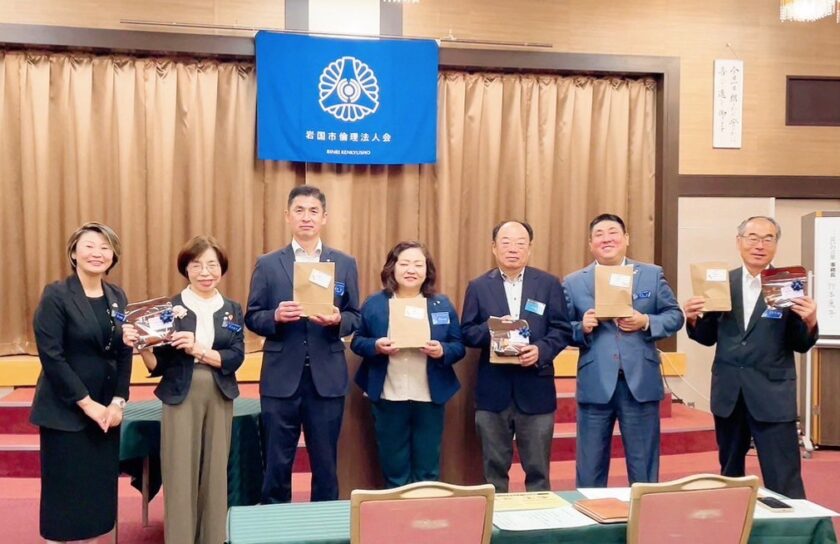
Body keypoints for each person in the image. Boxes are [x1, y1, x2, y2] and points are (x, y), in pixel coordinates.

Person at [684, 216, 818, 498]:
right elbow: (707, 337)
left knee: (784, 478)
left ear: (776, 245)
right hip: (729, 393)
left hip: (772, 393)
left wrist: (810, 322)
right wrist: (694, 319)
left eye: (768, 239)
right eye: (753, 238)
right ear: (739, 242)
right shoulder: (723, 281)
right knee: (730, 476)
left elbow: (800, 343)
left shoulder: (787, 282)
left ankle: (792, 525)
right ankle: (735, 522)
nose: (760, 245)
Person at [122, 235, 245, 543]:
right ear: (185, 269)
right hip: (180, 395)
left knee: (215, 471)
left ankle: (213, 537)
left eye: (212, 265)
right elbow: (158, 365)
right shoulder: (170, 308)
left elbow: (236, 356)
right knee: (180, 472)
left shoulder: (231, 309)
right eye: (197, 265)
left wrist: (199, 349)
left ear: (222, 269)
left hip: (219, 394)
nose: (205, 272)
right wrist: (142, 346)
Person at [245, 185, 360, 503]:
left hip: (327, 378)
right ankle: (277, 523)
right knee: (277, 464)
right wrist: (275, 316)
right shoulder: (269, 264)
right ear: (287, 216)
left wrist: (338, 319)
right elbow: (252, 316)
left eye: (313, 211)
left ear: (324, 217)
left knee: (325, 465)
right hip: (281, 377)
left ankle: (323, 526)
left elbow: (356, 316)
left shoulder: (344, 263)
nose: (306, 217)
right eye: (299, 210)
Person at [30, 222, 132, 543]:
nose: (97, 253)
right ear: (74, 252)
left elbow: (124, 351)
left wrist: (118, 402)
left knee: (95, 502)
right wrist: (87, 404)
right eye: (89, 246)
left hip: (105, 417)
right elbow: (52, 357)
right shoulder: (57, 295)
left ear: (113, 255)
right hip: (66, 413)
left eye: (105, 247)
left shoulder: (117, 296)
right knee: (65, 503)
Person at [564, 214, 684, 488]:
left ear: (626, 239)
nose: (607, 239)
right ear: (590, 243)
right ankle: (591, 514)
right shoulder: (574, 282)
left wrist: (646, 321)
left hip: (640, 382)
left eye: (613, 232)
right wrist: (581, 327)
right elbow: (561, 328)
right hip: (596, 382)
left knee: (644, 469)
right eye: (599, 234)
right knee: (590, 468)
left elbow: (675, 316)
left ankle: (644, 514)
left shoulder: (651, 274)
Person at [461, 220, 572, 493]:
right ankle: (498, 519)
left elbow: (562, 330)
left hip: (535, 388)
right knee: (494, 472)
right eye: (506, 242)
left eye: (521, 243)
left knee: (538, 472)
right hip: (493, 391)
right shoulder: (479, 286)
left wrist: (541, 350)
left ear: (530, 248)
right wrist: (494, 329)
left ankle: (540, 518)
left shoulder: (548, 284)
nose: (513, 249)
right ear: (494, 247)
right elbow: (467, 332)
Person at [351, 241, 466, 487]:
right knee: (394, 465)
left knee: (428, 466)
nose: (411, 270)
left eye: (418, 264)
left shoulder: (441, 304)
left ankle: (425, 508)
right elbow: (357, 341)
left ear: (427, 270)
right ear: (392, 268)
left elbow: (458, 346)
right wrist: (376, 346)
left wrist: (442, 350)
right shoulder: (375, 303)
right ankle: (397, 508)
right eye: (404, 264)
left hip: (429, 395)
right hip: (389, 394)